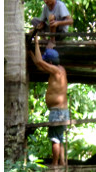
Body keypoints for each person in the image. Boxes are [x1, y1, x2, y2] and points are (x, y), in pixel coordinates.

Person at [30, 39, 69, 167]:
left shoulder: (56, 71)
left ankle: (55, 164)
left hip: (57, 111)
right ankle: (62, 162)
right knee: (59, 137)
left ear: (51, 62)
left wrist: (36, 43)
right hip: (62, 111)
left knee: (55, 139)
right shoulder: (60, 69)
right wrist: (31, 52)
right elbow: (39, 63)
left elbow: (40, 62)